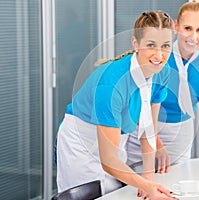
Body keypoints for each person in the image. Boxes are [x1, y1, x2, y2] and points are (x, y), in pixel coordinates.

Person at [56, 11, 178, 200]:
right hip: (82, 142)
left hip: (114, 139)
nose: (159, 55)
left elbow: (149, 128)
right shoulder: (111, 84)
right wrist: (146, 185)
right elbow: (108, 159)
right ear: (135, 43)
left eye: (166, 46)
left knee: (115, 194)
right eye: (151, 45)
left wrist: (148, 178)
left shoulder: (163, 72)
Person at [126, 1, 199, 173]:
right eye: (188, 28)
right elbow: (142, 107)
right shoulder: (157, 56)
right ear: (176, 26)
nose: (193, 37)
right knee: (137, 185)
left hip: (180, 131)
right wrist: (155, 143)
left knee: (174, 184)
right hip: (143, 126)